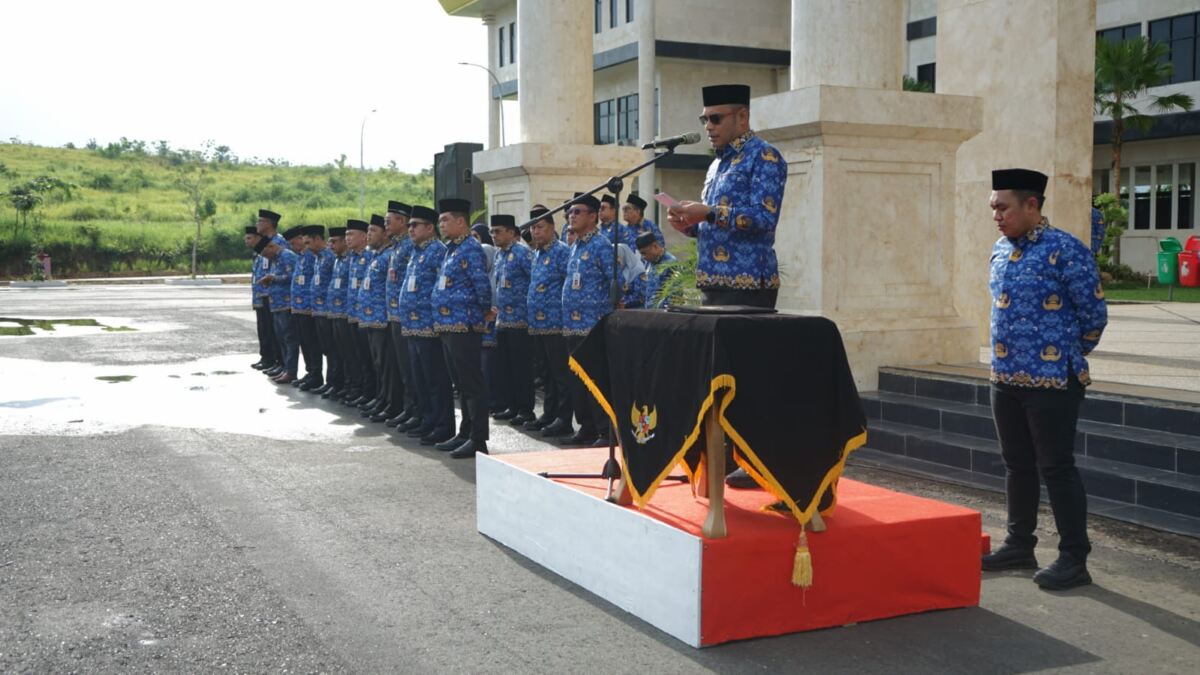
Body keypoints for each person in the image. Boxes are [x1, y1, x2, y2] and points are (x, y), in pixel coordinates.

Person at [981, 168, 1108, 591]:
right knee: (1017, 465)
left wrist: (1063, 355)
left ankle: (1075, 557)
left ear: (1031, 205)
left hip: (1053, 381)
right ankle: (1020, 543)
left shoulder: (1066, 250)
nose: (996, 215)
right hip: (1005, 378)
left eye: (1003, 207)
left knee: (1056, 467)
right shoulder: (1000, 250)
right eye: (993, 208)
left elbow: (1093, 316)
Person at [666, 83, 788, 489]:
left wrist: (710, 212)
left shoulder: (765, 157)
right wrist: (690, 223)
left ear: (742, 116)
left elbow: (762, 219)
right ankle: (719, 458)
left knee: (750, 381)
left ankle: (759, 463)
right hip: (713, 285)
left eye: (716, 119)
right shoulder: (716, 165)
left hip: (749, 285)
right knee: (716, 381)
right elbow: (716, 228)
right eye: (704, 120)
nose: (709, 127)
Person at [431, 198, 494, 458]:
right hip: (447, 324)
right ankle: (465, 432)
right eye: (440, 220)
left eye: (446, 220)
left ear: (460, 222)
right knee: (460, 384)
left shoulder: (471, 248)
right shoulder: (451, 249)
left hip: (464, 324)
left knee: (471, 384)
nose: (441, 224)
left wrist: (483, 311)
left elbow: (481, 286)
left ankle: (478, 439)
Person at [559, 194, 616, 448]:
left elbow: (616, 281)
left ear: (593, 216)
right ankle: (587, 426)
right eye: (570, 212)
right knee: (577, 381)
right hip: (572, 324)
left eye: (578, 212)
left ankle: (606, 431)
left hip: (592, 324)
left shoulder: (602, 245)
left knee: (595, 379)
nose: (572, 216)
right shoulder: (575, 246)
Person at [399, 205, 456, 445]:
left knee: (435, 379)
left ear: (430, 228)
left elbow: (442, 286)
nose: (410, 229)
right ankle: (427, 419)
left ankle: (442, 425)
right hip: (413, 325)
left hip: (429, 326)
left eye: (415, 225)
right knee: (419, 377)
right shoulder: (416, 251)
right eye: (409, 225)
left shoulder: (438, 251)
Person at [526, 206, 574, 437]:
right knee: (545, 374)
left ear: (553, 228)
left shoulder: (562, 252)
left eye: (540, 227)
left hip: (556, 323)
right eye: (533, 228)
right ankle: (549, 413)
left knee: (560, 374)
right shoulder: (537, 253)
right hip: (538, 323)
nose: (536, 232)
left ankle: (564, 419)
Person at [489, 214, 536, 426]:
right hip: (503, 319)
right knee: (505, 367)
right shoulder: (499, 255)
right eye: (492, 232)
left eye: (498, 231)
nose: (494, 235)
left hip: (520, 320)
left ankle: (526, 409)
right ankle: (512, 406)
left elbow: (535, 280)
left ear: (511, 232)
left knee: (521, 369)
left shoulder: (522, 253)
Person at [384, 201, 418, 428]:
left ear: (403, 222)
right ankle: (408, 409)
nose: (386, 222)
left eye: (390, 219)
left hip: (408, 317)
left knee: (411, 369)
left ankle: (415, 411)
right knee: (403, 368)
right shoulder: (397, 246)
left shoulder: (409, 246)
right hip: (395, 314)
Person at [360, 214, 393, 422]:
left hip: (383, 318)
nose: (368, 235)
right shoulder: (376, 255)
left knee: (387, 364)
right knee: (378, 363)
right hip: (371, 317)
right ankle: (381, 398)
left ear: (385, 233)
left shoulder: (389, 254)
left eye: (373, 231)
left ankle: (390, 402)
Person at [255, 236, 299, 384]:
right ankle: (285, 368)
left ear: (271, 246)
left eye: (266, 254)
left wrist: (273, 278)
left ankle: (291, 371)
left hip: (286, 304)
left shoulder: (287, 256)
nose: (266, 257)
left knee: (289, 338)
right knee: (281, 338)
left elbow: (293, 276)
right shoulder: (275, 260)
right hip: (276, 304)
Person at [344, 219, 376, 406]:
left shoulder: (370, 256)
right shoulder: (353, 257)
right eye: (346, 235)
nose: (347, 238)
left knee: (369, 357)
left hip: (368, 314)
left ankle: (371, 392)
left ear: (364, 237)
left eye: (351, 234)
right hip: (353, 313)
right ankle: (362, 390)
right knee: (357, 355)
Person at [286, 226, 322, 390]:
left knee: (312, 342)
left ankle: (316, 374)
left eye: (294, 242)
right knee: (304, 342)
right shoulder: (300, 257)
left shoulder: (311, 256)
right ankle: (310, 371)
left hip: (308, 307)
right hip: (299, 307)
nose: (292, 246)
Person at [255, 209, 289, 377]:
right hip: (267, 292)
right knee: (270, 330)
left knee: (281, 333)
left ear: (269, 223)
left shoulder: (278, 242)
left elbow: (282, 268)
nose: (257, 225)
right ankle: (276, 362)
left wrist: (272, 280)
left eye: (260, 221)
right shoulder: (265, 241)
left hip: (277, 292)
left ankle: (282, 363)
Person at [317, 226, 349, 400]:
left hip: (346, 312)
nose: (330, 245)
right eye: (329, 241)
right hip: (333, 311)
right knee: (333, 350)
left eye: (334, 241)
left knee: (348, 354)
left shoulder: (350, 259)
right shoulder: (338, 260)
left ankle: (346, 386)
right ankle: (336, 384)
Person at [304, 225, 335, 393]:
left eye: (309, 243)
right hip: (318, 309)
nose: (307, 247)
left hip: (327, 310)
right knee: (326, 348)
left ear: (317, 239)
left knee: (332, 349)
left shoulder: (329, 256)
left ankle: (334, 382)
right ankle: (330, 382)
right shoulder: (318, 257)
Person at [246, 226, 278, 372]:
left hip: (269, 295)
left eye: (249, 238)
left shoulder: (274, 246)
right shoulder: (257, 254)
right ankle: (265, 357)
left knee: (271, 330)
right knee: (263, 329)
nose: (247, 241)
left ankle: (272, 359)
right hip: (259, 295)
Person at [637, 231, 678, 309]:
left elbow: (674, 294)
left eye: (644, 253)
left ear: (655, 246)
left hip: (663, 314)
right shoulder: (649, 262)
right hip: (650, 312)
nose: (643, 257)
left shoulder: (671, 263)